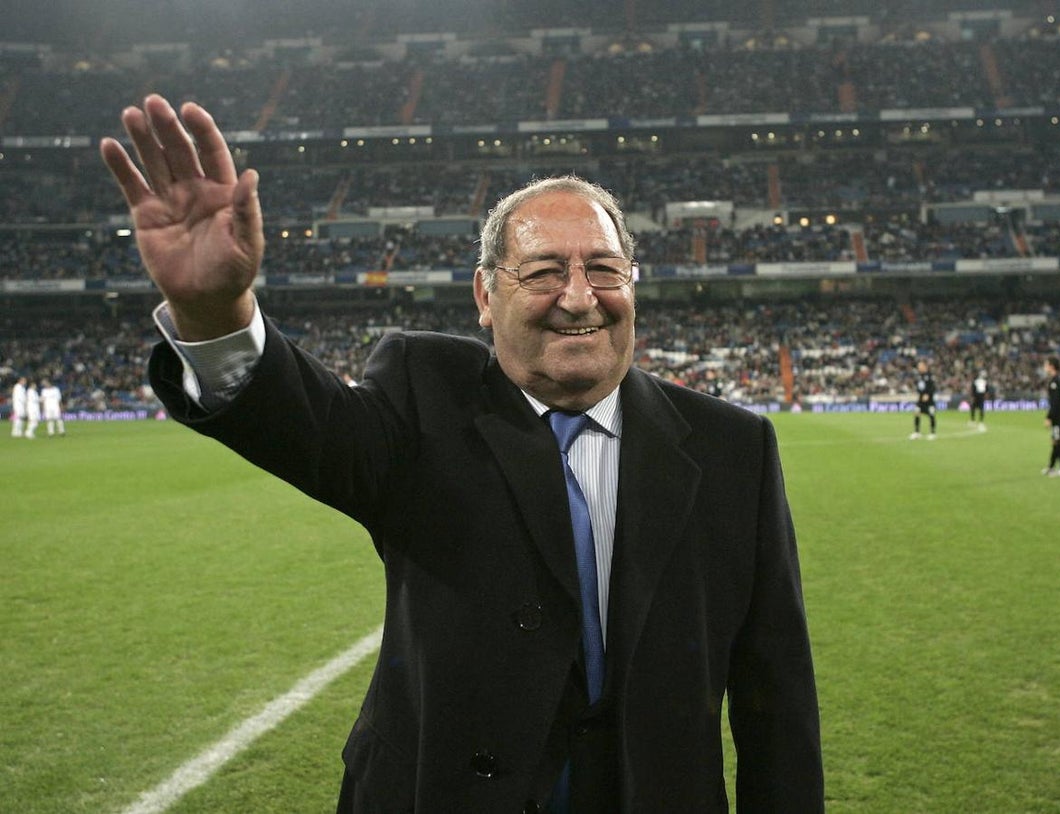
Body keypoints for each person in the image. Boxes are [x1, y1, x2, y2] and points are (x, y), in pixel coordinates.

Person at [100, 95, 823, 813]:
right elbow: (305, 423)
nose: (579, 297)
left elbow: (777, 699)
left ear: (633, 285)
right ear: (484, 294)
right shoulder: (425, 399)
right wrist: (215, 312)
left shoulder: (735, 447)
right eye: (542, 272)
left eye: (604, 269)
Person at [1042, 356, 1060, 477]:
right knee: (1055, 441)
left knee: (1059, 441)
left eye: (1046, 364)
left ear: (1051, 366)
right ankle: (1051, 467)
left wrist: (1049, 417)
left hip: (1059, 415)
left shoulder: (1055, 381)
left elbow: (1056, 401)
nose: (1044, 367)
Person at [909, 359, 937, 440]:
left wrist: (928, 394)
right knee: (917, 412)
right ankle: (917, 432)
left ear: (925, 366)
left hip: (929, 400)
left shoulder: (929, 376)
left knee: (931, 414)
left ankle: (933, 433)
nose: (919, 367)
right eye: (918, 366)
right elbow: (920, 387)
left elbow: (932, 387)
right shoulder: (919, 376)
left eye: (920, 366)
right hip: (921, 399)